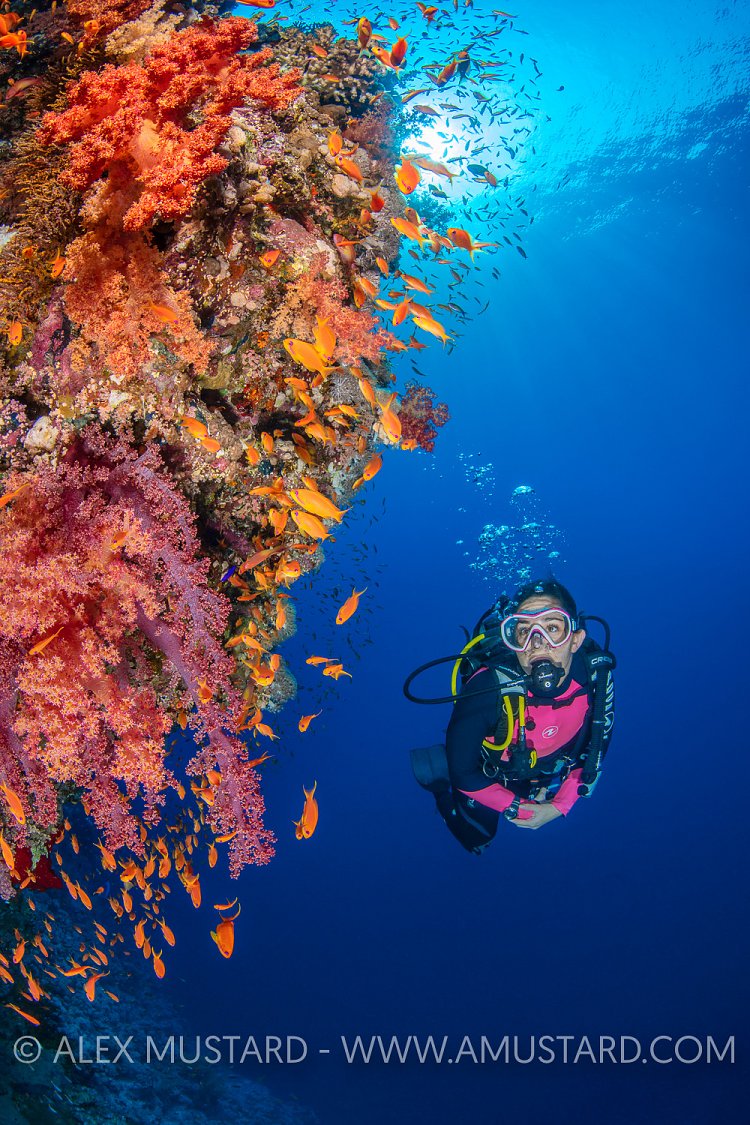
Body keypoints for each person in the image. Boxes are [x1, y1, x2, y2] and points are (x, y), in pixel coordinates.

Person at [409, 578, 615, 854]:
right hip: (490, 775)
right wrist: (520, 808)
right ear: (513, 642)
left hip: (547, 772)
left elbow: (596, 747)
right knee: (476, 838)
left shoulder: (595, 673)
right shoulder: (487, 687)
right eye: (524, 631)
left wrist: (560, 804)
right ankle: (438, 788)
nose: (537, 644)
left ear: (575, 639)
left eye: (553, 628)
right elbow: (463, 772)